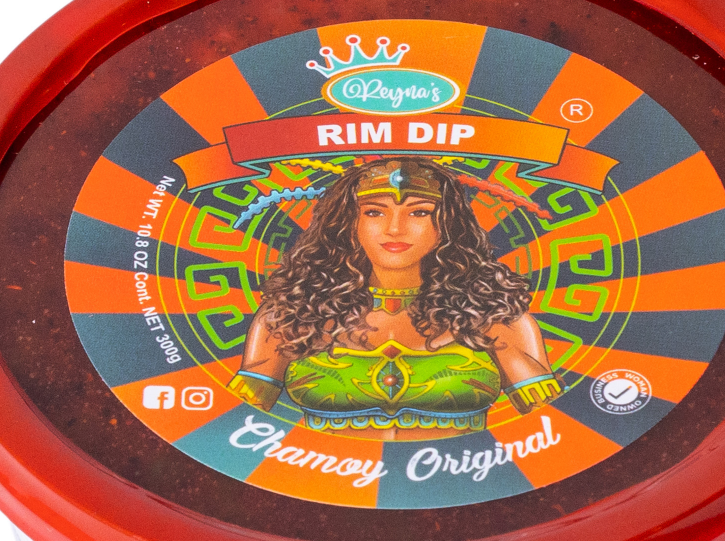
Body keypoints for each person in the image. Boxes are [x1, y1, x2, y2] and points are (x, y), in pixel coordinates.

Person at [228, 159, 562, 438]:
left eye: (420, 213)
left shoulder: (496, 316)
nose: (395, 228)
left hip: (466, 485)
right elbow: (233, 427)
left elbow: (552, 432)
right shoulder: (289, 313)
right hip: (319, 483)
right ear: (348, 223)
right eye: (374, 212)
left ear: (447, 225)